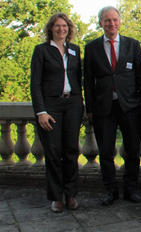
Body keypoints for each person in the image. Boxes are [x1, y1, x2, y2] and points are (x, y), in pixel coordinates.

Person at [84, 6, 141, 206]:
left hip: (130, 107)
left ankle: (131, 189)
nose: (111, 23)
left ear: (120, 21)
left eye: (114, 19)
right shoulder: (91, 48)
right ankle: (110, 190)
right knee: (105, 152)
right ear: (100, 23)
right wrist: (90, 110)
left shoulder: (132, 45)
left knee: (132, 150)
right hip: (103, 109)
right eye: (107, 20)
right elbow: (88, 81)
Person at [30, 13, 83, 213]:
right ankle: (56, 197)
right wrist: (41, 111)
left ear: (69, 29)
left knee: (71, 151)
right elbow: (35, 83)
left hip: (73, 104)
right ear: (51, 29)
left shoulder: (75, 50)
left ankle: (71, 195)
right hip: (50, 106)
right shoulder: (41, 51)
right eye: (57, 26)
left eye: (65, 26)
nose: (61, 29)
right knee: (53, 153)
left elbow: (79, 78)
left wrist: (81, 103)